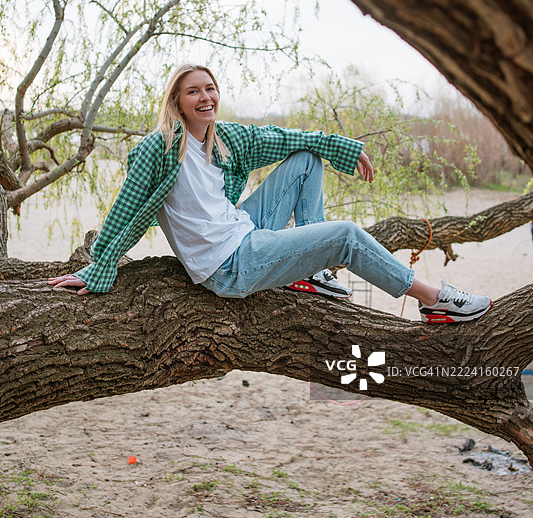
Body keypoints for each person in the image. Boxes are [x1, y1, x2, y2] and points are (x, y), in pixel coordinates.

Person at [49, 63, 492, 323]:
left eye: (210, 88)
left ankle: (313, 272)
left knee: (304, 158)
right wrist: (96, 269)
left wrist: (340, 147)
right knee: (346, 235)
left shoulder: (226, 140)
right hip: (229, 266)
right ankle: (436, 302)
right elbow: (125, 211)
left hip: (246, 233)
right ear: (177, 102)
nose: (205, 97)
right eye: (193, 91)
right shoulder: (159, 149)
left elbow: (286, 137)